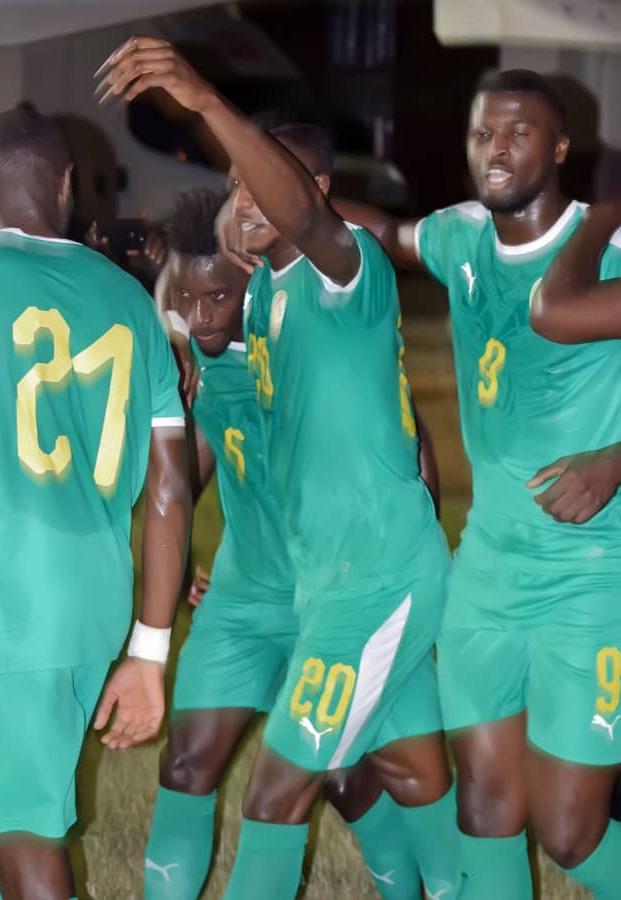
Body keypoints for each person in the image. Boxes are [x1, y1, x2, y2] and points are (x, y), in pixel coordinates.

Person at [96, 38, 461, 900]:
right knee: (417, 787)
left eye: (265, 181)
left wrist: (203, 98)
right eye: (236, 185)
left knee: (281, 792)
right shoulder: (260, 301)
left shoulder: (346, 272)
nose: (246, 198)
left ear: (313, 196)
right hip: (315, 586)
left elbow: (413, 439)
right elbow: (218, 428)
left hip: (377, 586)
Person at [340, 69, 621, 898]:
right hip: (488, 572)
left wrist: (615, 460)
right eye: (481, 134)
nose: (496, 149)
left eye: (518, 133)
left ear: (561, 147)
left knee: (570, 833)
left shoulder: (603, 248)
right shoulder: (461, 235)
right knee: (487, 808)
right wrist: (279, 196)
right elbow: (378, 234)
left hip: (592, 576)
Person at [144, 187, 446, 900]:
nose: (199, 316)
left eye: (215, 296)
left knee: (370, 775)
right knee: (186, 762)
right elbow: (183, 479)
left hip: (344, 593)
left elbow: (411, 449)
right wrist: (168, 401)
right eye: (183, 300)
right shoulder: (200, 362)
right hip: (246, 597)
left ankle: (439, 885)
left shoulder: (311, 339)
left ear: (256, 276)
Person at [0, 108, 190, 900]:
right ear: (67, 186)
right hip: (84, 613)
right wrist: (151, 650)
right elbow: (171, 486)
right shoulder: (131, 301)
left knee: (22, 842)